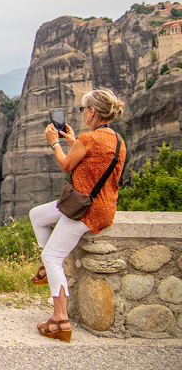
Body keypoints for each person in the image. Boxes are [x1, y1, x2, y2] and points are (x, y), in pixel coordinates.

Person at [29, 89, 126, 342]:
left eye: (83, 109)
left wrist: (55, 142)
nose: (82, 113)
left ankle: (60, 320)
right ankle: (44, 268)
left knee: (53, 256)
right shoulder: (115, 139)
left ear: (92, 111)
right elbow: (94, 158)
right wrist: (74, 141)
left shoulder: (90, 138)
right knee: (37, 215)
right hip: (98, 204)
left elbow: (66, 164)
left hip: (84, 209)